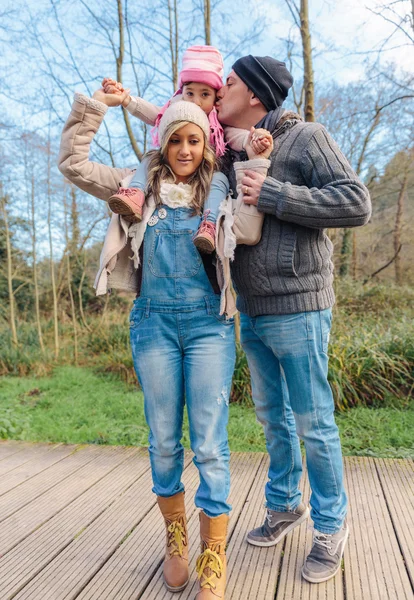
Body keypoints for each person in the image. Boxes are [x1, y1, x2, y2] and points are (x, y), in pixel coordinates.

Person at [58, 88, 271, 599]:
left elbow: (253, 228)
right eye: (175, 139)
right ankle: (176, 542)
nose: (184, 149)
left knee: (209, 443)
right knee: (162, 440)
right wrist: (95, 112)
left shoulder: (219, 191)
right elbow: (73, 164)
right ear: (163, 143)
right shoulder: (134, 185)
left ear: (205, 144)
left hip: (208, 328)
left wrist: (259, 162)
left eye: (194, 139)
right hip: (152, 325)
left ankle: (212, 554)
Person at [215, 55, 372, 584]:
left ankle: (331, 526)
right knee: (272, 417)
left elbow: (356, 201)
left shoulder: (306, 137)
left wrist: (278, 194)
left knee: (314, 421)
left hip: (301, 304)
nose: (220, 88)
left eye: (229, 82)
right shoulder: (229, 150)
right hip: (252, 308)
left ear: (256, 96)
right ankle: (285, 504)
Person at [102, 44, 272, 252]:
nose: (196, 102)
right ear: (182, 92)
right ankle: (135, 194)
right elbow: (156, 115)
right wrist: (127, 100)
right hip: (175, 171)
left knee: (218, 181)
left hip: (204, 174)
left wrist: (252, 139)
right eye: (190, 93)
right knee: (150, 158)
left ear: (215, 97)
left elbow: (233, 136)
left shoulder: (216, 120)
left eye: (205, 95)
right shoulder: (176, 109)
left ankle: (209, 225)